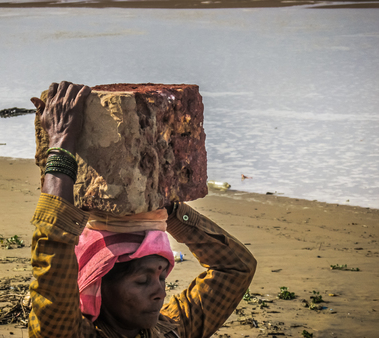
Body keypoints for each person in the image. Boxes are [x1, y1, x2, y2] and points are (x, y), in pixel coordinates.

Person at [29, 81, 257, 338]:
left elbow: (237, 268)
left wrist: (161, 205)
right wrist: (60, 147)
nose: (159, 292)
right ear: (98, 282)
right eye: (142, 281)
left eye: (161, 277)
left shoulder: (170, 330)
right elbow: (53, 257)